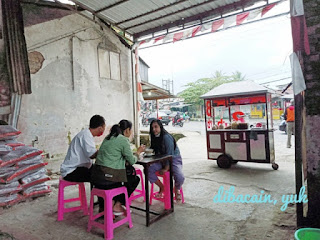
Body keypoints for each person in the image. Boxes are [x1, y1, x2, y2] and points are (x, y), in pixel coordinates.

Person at [91, 120, 145, 215]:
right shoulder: (123, 140)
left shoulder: (108, 137)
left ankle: (106, 206)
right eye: (131, 130)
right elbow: (132, 161)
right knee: (134, 179)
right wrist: (138, 152)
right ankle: (117, 204)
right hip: (107, 179)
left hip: (95, 176)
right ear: (127, 130)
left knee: (125, 176)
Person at [60, 115, 106, 182]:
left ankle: (95, 191)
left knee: (99, 171)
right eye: (104, 128)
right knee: (100, 176)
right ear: (100, 128)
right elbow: (92, 155)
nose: (103, 130)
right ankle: (97, 192)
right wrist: (104, 151)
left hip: (79, 167)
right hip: (71, 171)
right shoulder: (86, 135)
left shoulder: (86, 134)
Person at [148, 119, 185, 200]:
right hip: (161, 160)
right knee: (148, 170)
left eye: (156, 127)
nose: (154, 129)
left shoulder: (166, 137)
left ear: (160, 127)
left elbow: (169, 154)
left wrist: (166, 168)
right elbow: (153, 150)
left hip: (174, 159)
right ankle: (162, 187)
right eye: (152, 127)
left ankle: (176, 188)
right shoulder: (154, 137)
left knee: (180, 177)